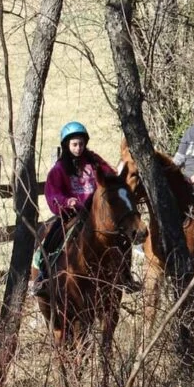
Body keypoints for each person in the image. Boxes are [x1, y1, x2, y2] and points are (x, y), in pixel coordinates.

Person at [30, 121, 119, 296]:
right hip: (72, 214)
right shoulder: (59, 168)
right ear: (66, 145)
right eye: (74, 144)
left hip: (96, 214)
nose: (79, 148)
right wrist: (66, 202)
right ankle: (43, 275)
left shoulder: (93, 161)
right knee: (50, 236)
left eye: (81, 144)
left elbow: (109, 175)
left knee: (120, 236)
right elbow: (52, 193)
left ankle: (124, 275)